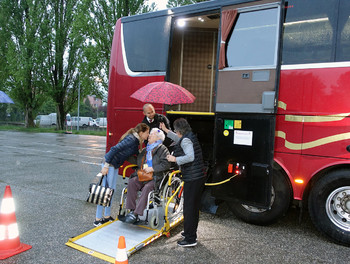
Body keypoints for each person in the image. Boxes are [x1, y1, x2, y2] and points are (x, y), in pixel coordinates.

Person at [160, 118, 206, 247]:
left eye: (175, 130)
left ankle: (190, 239)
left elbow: (190, 156)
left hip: (193, 178)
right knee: (192, 206)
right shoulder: (188, 136)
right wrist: (166, 131)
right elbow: (178, 138)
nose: (175, 132)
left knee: (190, 208)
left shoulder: (186, 140)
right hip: (197, 177)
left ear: (180, 130)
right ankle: (189, 233)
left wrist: (175, 158)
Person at [94, 123, 150, 227]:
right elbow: (114, 149)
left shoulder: (135, 141)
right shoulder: (131, 139)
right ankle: (97, 219)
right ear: (141, 133)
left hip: (114, 165)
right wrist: (105, 166)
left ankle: (106, 216)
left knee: (111, 190)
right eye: (147, 133)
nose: (148, 135)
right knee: (105, 191)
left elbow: (128, 156)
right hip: (109, 164)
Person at [120, 128, 170, 224]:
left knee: (147, 188)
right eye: (150, 134)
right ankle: (131, 209)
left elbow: (166, 164)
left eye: (152, 134)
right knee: (132, 182)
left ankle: (136, 214)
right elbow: (138, 162)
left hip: (155, 177)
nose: (149, 136)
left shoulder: (162, 149)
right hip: (143, 175)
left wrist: (153, 168)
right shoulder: (146, 149)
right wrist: (126, 155)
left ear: (157, 138)